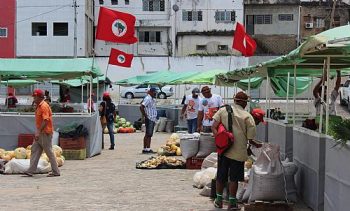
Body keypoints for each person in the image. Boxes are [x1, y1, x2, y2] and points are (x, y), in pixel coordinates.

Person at [211, 91, 257, 210]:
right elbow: (250, 139)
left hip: (224, 150)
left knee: (221, 176)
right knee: (234, 178)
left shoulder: (223, 110)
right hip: (238, 152)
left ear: (235, 100)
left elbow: (213, 127)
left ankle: (219, 200)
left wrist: (220, 140)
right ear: (243, 102)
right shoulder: (247, 116)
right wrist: (257, 145)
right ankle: (232, 203)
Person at [24, 89, 60, 177]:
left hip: (45, 133)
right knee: (35, 150)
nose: (34, 98)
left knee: (49, 152)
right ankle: (31, 170)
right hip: (40, 133)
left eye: (35, 97)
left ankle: (56, 171)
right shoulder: (39, 106)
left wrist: (38, 132)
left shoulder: (44, 106)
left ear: (39, 97)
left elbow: (46, 120)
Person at [140, 88, 157, 154]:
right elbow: (141, 106)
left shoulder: (151, 99)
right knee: (148, 134)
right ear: (150, 92)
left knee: (149, 134)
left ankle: (147, 148)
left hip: (152, 118)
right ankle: (146, 149)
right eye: (154, 92)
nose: (155, 94)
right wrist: (145, 115)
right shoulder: (148, 98)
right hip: (149, 118)